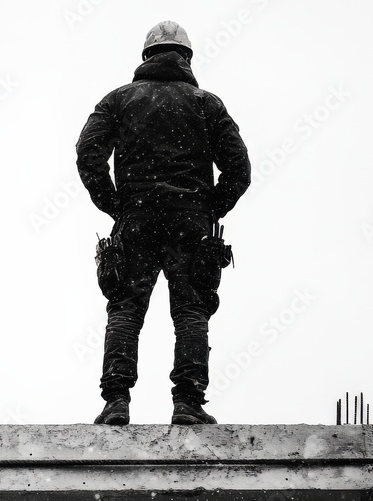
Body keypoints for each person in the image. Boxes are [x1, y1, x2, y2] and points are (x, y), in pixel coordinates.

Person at [75, 21, 251, 425]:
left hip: (136, 218)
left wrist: (115, 204)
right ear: (186, 58)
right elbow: (239, 169)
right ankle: (188, 403)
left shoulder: (119, 100)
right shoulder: (207, 105)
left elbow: (88, 153)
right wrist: (209, 208)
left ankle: (116, 402)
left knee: (126, 309)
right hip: (190, 223)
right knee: (191, 311)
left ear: (146, 58)